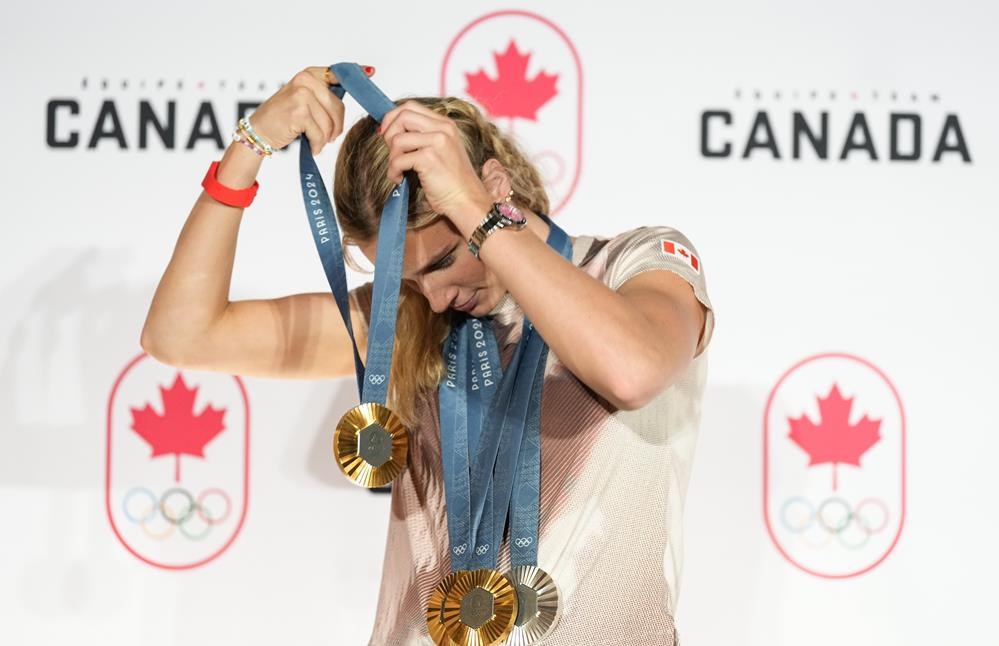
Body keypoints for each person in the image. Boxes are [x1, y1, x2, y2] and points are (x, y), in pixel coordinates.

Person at [141, 64, 715, 645]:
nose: (436, 296)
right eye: (407, 279)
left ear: (494, 186)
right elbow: (182, 334)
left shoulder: (632, 266)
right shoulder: (408, 320)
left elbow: (632, 370)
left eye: (441, 262)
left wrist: (472, 208)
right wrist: (250, 145)